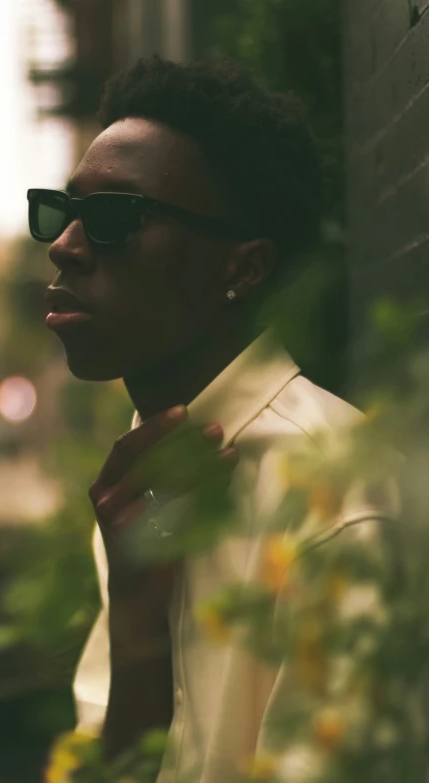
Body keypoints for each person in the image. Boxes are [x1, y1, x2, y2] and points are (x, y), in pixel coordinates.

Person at [27, 57, 398, 782]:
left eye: (112, 219)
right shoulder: (141, 483)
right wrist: (137, 631)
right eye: (63, 212)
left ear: (244, 268)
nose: (64, 245)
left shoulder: (343, 504)